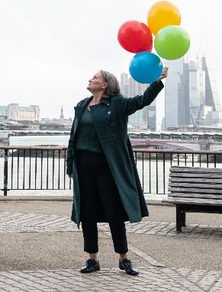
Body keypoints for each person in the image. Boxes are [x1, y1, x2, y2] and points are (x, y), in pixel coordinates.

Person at [66, 67, 168, 276]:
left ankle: (124, 258)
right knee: (87, 213)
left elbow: (142, 101)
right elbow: (73, 137)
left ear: (105, 85)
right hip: (83, 165)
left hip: (108, 166)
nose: (90, 79)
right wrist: (70, 164)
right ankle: (92, 259)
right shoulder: (82, 106)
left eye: (95, 78)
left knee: (114, 212)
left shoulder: (118, 103)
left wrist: (156, 81)